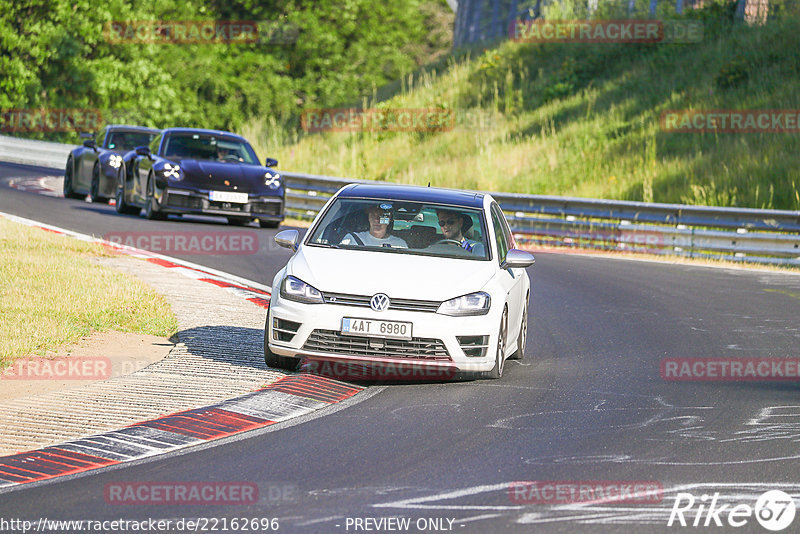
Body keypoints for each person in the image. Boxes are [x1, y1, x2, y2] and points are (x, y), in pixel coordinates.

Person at [340, 205, 408, 248]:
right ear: (368, 218)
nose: (376, 220)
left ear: (389, 219)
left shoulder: (399, 244)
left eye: (381, 216)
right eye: (373, 215)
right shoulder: (352, 239)